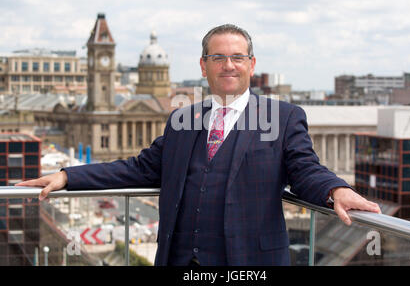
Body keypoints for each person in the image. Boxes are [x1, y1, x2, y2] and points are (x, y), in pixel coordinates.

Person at [17, 24, 381, 266]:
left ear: (251, 65)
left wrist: (335, 189)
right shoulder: (181, 119)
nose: (228, 65)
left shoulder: (282, 117)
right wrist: (68, 176)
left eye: (237, 57)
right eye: (218, 57)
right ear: (203, 65)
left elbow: (304, 167)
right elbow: (140, 168)